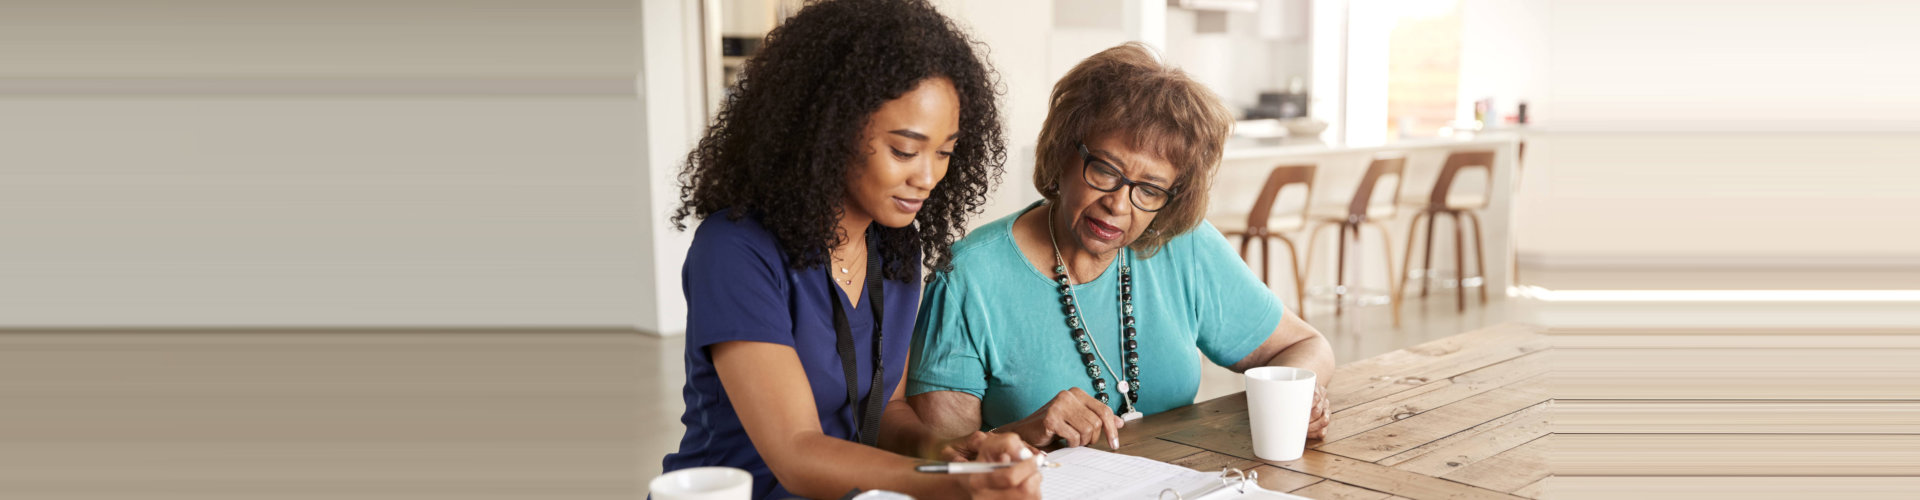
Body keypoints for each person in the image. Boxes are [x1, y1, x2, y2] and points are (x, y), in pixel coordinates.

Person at [659, 1, 1038, 498]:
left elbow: (884, 412)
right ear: (829, 131)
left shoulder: (897, 244)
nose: (927, 177)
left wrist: (947, 455)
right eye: (904, 150)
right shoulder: (734, 250)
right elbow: (796, 451)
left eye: (944, 152)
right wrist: (948, 484)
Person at [906, 43, 1335, 451]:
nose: (1118, 204)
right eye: (1105, 171)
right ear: (1063, 153)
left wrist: (1301, 393)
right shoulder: (968, 277)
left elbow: (1305, 346)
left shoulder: (1182, 246)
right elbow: (942, 460)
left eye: (1149, 189)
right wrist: (1023, 433)